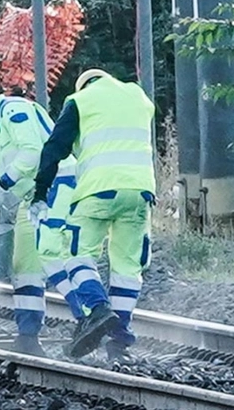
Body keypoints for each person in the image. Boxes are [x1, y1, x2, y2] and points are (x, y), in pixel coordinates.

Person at [0, 65, 84, 357]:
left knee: (51, 257)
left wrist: (4, 183)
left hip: (56, 185)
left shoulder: (12, 110)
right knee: (24, 267)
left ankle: (88, 317)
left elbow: (33, 152)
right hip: (32, 198)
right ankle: (28, 336)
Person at [31, 68, 155, 359]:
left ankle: (98, 309)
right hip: (141, 192)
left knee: (76, 253)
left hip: (97, 190)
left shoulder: (80, 101)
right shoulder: (138, 96)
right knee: (127, 267)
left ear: (84, 85)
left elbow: (55, 148)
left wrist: (40, 193)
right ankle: (119, 341)